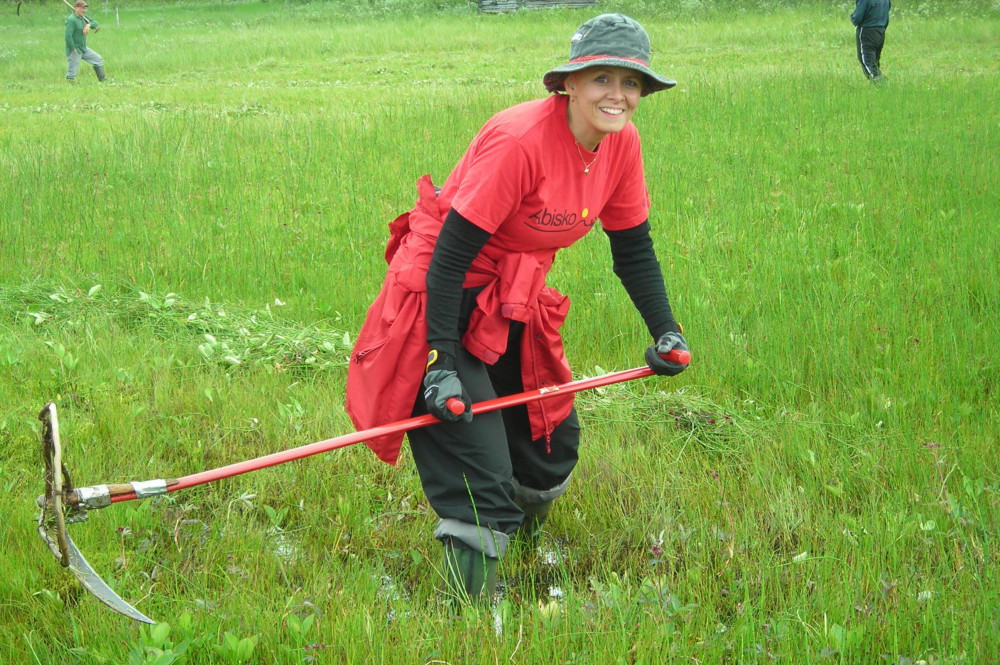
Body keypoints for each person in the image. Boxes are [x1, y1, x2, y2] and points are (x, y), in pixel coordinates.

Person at [345, 13, 689, 602]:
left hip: (511, 298)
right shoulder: (521, 140)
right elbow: (447, 261)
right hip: (440, 295)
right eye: (602, 78)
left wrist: (666, 331)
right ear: (570, 84)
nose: (618, 94)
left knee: (548, 438)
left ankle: (518, 555)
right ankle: (473, 609)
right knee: (476, 465)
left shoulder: (620, 145)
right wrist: (440, 361)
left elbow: (633, 250)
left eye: (631, 82)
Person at [851, 0, 891, 83]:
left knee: (866, 60)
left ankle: (880, 82)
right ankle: (875, 85)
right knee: (875, 59)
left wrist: (852, 18)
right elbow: (886, 14)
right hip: (881, 30)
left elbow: (857, 17)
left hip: (867, 30)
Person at [65, 0, 105, 82]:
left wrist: (88, 25)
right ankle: (70, 87)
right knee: (72, 71)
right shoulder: (71, 20)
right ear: (76, 8)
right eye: (82, 8)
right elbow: (68, 36)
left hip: (83, 48)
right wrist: (72, 49)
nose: (84, 10)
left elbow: (95, 23)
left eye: (85, 8)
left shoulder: (83, 17)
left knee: (98, 60)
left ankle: (103, 80)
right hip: (75, 49)